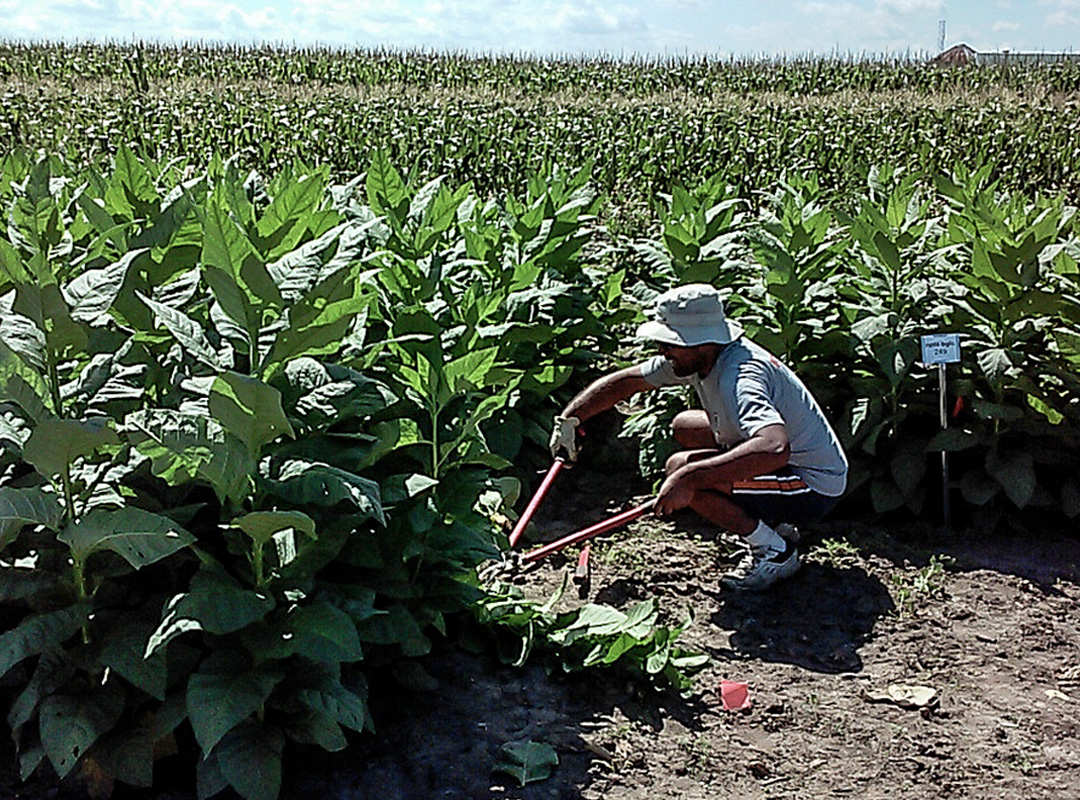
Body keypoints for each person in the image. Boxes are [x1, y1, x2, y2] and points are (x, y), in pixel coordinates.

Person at [548, 283, 848, 591]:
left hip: (812, 485)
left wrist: (691, 478)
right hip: (790, 463)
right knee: (685, 427)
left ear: (699, 342)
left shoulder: (741, 377)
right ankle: (771, 521)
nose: (662, 350)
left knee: (686, 476)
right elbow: (627, 382)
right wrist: (570, 419)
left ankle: (775, 549)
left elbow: (774, 448)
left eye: (669, 343)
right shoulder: (703, 356)